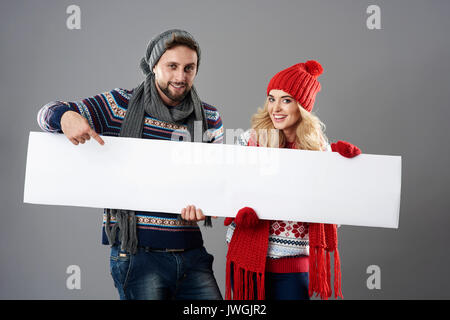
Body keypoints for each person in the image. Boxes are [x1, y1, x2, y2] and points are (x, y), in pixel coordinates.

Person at [37, 29, 223, 300]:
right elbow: (45, 113)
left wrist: (208, 207)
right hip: (138, 256)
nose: (181, 77)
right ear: (153, 65)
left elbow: (215, 183)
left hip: (192, 253)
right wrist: (66, 117)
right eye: (172, 66)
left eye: (189, 68)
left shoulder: (209, 117)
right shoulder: (119, 106)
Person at [224, 60, 361, 300]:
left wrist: (345, 168)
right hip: (247, 263)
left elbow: (333, 216)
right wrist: (239, 210)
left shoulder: (320, 151)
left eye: (286, 100)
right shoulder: (249, 141)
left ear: (303, 107)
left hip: (293, 267)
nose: (275, 108)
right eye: (271, 98)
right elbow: (228, 190)